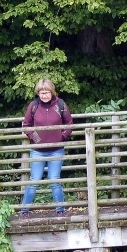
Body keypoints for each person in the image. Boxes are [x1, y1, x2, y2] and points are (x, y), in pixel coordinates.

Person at [19, 78, 74, 218]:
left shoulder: (60, 104)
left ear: (52, 92)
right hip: (38, 151)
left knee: (54, 180)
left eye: (47, 92)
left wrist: (62, 137)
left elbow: (69, 123)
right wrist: (36, 139)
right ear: (38, 93)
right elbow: (26, 125)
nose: (44, 95)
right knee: (34, 181)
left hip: (57, 149)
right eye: (41, 93)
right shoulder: (33, 106)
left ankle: (60, 210)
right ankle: (24, 211)